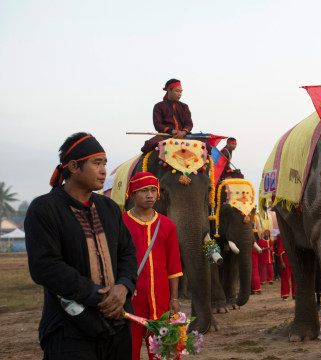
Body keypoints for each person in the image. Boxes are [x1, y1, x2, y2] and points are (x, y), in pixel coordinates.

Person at [25, 132, 138, 359]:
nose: (104, 170)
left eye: (105, 163)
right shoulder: (45, 209)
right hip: (69, 331)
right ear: (74, 167)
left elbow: (127, 252)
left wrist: (123, 287)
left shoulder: (109, 208)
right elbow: (45, 266)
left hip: (117, 324)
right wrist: (98, 295)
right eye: (97, 163)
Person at [122, 172, 183, 360]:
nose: (150, 195)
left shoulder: (167, 225)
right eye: (143, 191)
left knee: (164, 355)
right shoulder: (121, 223)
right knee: (127, 353)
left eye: (153, 190)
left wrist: (174, 298)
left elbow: (173, 266)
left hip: (161, 302)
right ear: (132, 195)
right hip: (129, 304)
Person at [141, 79, 196, 153]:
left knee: (206, 145)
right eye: (177, 91)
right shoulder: (159, 106)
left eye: (181, 91)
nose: (179, 94)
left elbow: (189, 123)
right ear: (169, 90)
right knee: (149, 145)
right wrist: (171, 131)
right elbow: (158, 124)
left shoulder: (184, 106)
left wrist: (183, 132)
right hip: (166, 135)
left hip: (184, 135)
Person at [275, 234, 296, 301]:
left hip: (294, 259)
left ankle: (295, 294)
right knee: (285, 277)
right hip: (285, 259)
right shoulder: (281, 236)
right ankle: (285, 294)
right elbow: (280, 249)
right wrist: (282, 261)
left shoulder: (294, 234)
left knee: (295, 278)